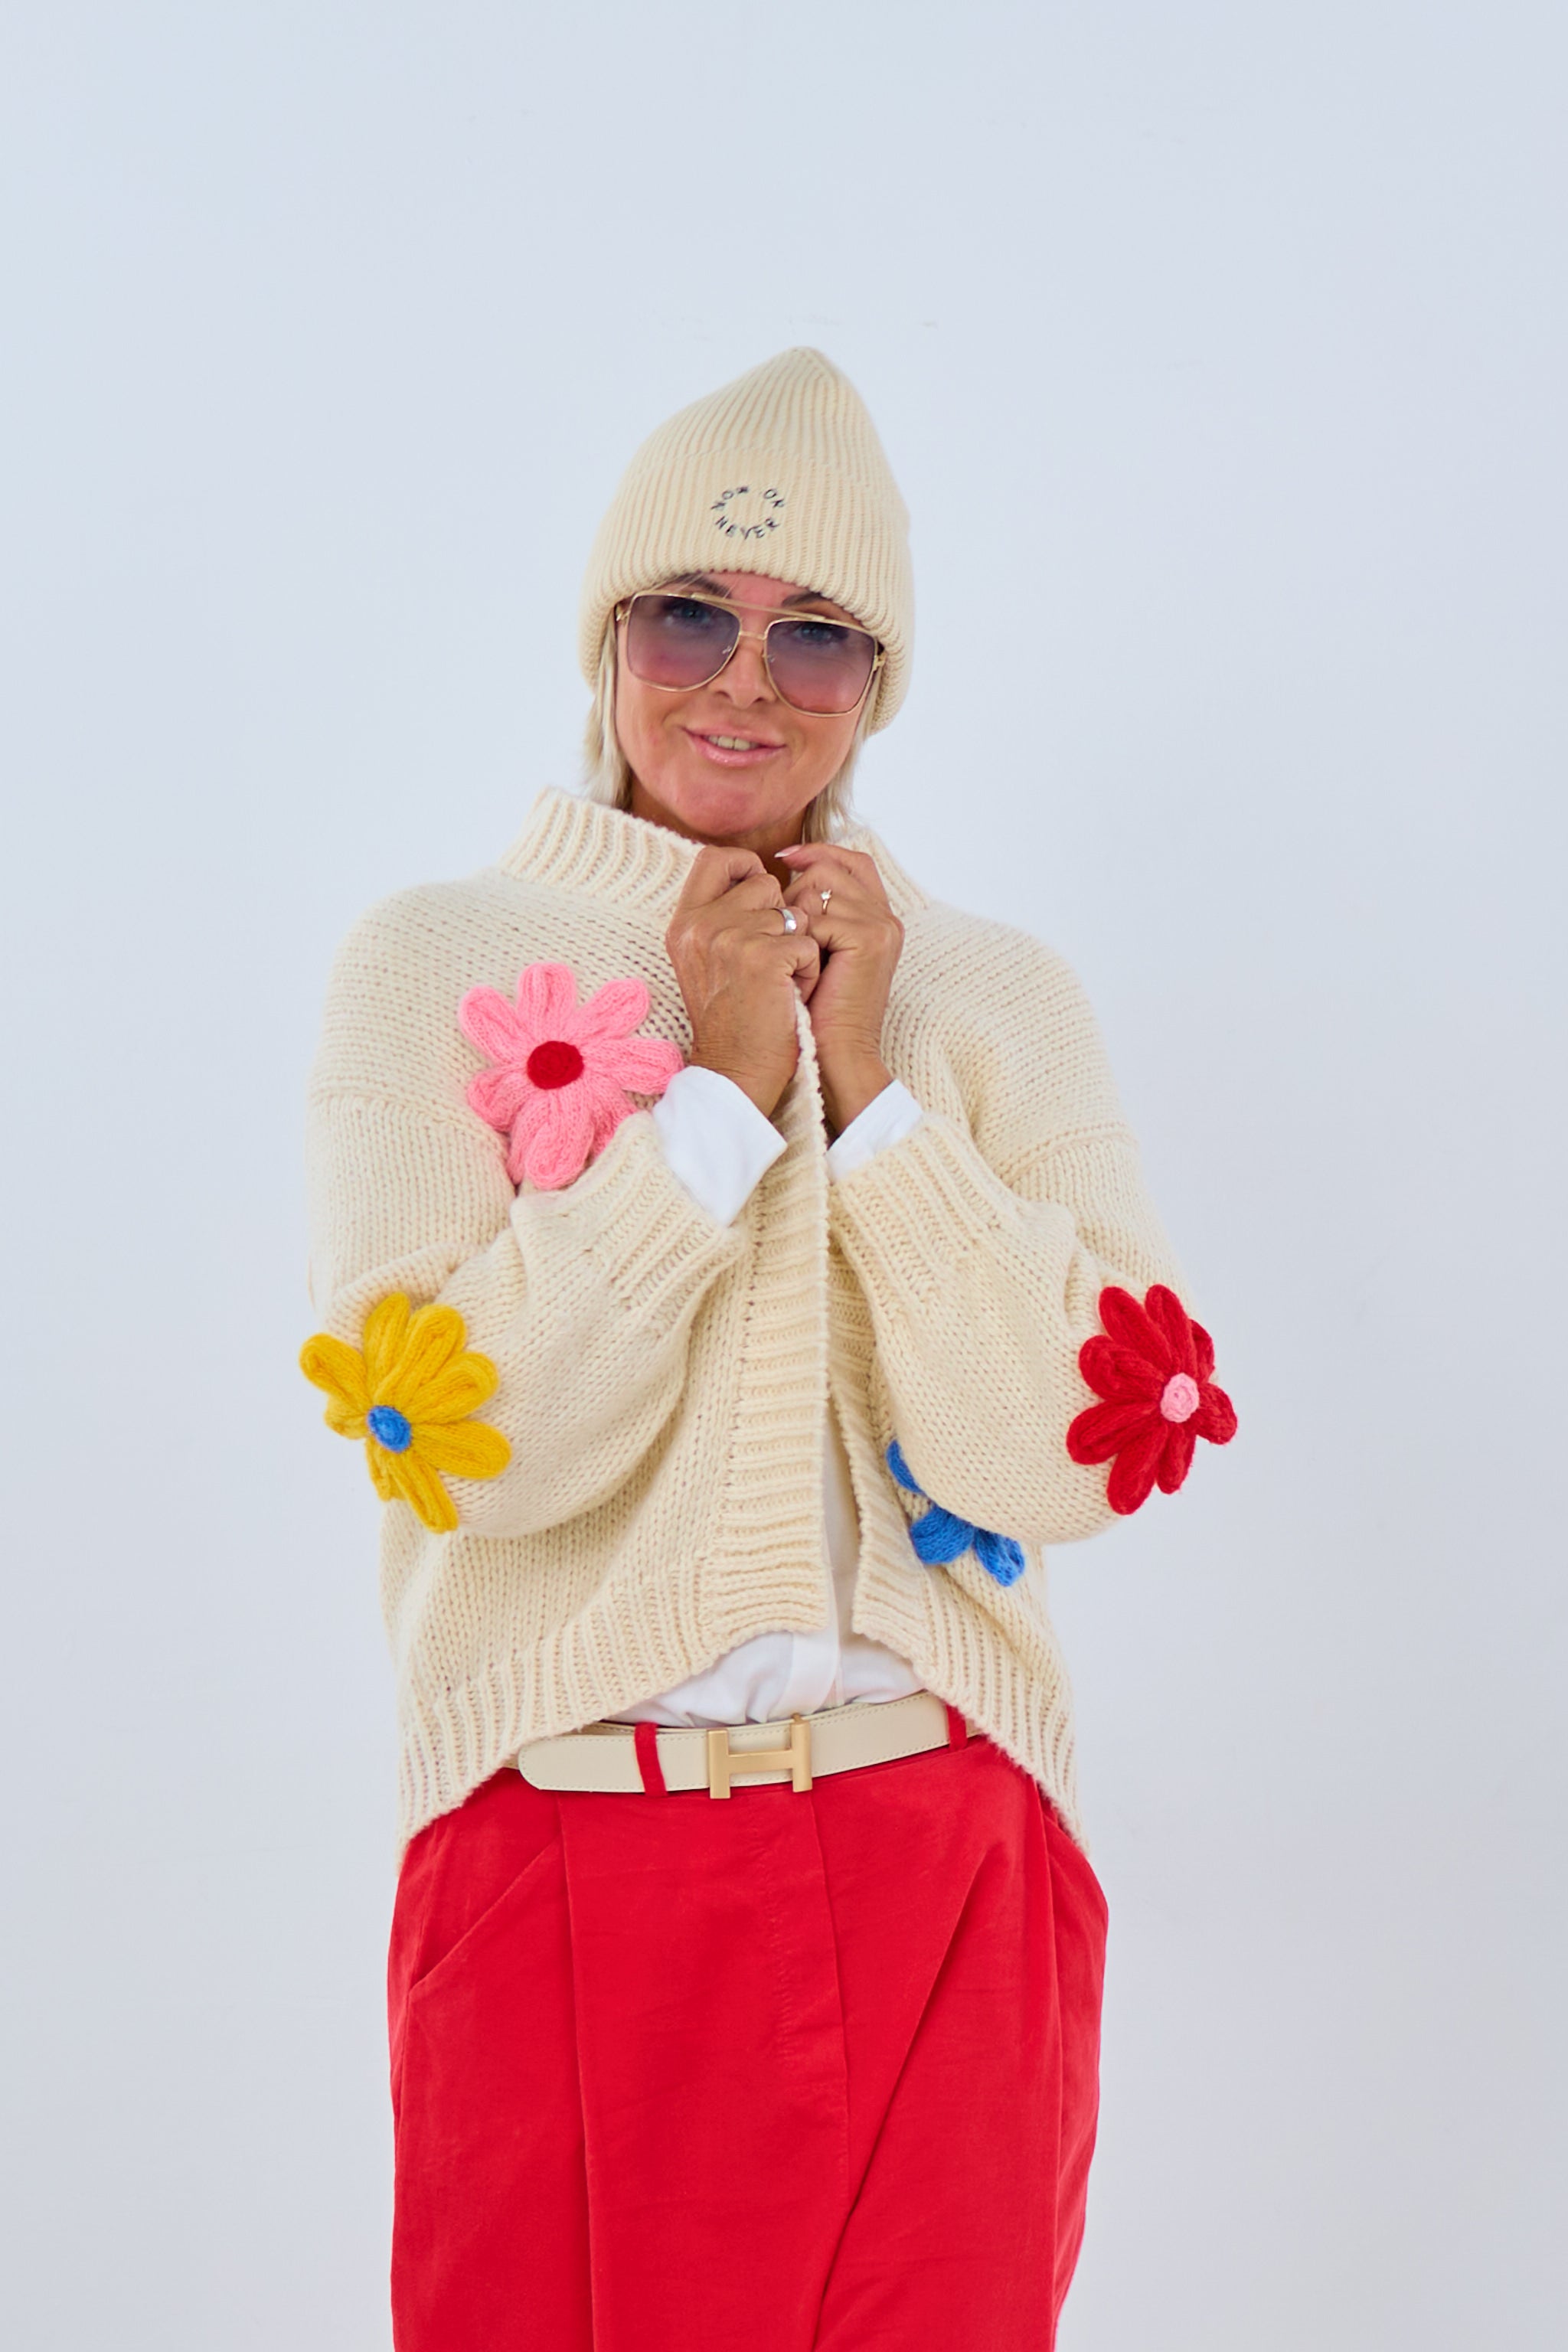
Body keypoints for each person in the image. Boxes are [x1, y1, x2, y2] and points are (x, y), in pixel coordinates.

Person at [300, 347, 1237, 2352]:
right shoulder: (433, 965)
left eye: (821, 635)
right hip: (558, 1844)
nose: (745, 678)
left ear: (882, 681)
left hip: (941, 1850)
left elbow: (1082, 1450)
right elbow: (468, 1446)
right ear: (605, 635)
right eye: (689, 615)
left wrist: (874, 1096)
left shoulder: (989, 995)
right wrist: (718, 1102)